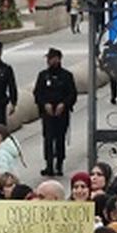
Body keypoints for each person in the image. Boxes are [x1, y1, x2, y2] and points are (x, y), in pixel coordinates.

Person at [33, 47, 78, 176]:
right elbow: (37, 93)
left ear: (58, 59)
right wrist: (44, 104)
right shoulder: (43, 75)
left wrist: (63, 104)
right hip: (47, 114)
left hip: (61, 113)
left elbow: (72, 94)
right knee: (48, 139)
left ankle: (59, 164)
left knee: (60, 139)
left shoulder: (66, 76)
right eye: (48, 58)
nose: (49, 61)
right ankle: (49, 165)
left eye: (52, 58)